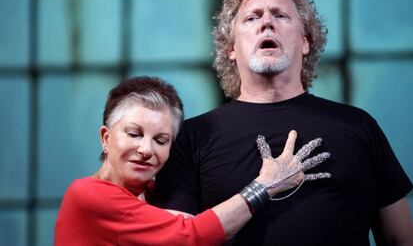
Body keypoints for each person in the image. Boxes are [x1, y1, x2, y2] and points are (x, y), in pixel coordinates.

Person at [153, 0, 413, 245]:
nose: (267, 23)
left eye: (280, 15)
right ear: (231, 47)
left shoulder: (358, 126)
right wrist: (262, 189)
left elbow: (401, 238)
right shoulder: (193, 136)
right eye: (252, 18)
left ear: (304, 42)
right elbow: (176, 240)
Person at [54, 76, 330, 246]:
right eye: (134, 134)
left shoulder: (153, 196)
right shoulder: (88, 195)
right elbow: (191, 236)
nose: (145, 149)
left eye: (161, 140)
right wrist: (265, 185)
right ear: (106, 137)